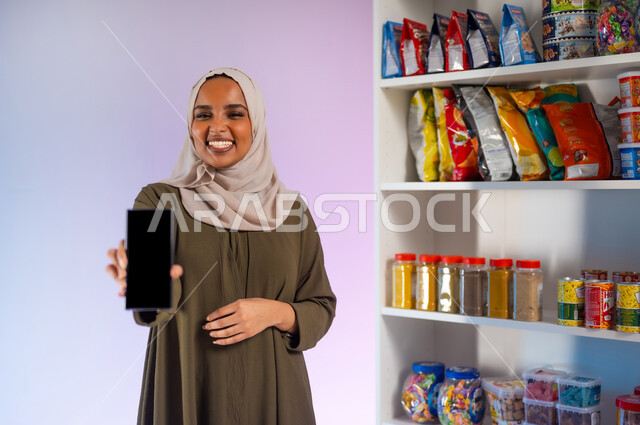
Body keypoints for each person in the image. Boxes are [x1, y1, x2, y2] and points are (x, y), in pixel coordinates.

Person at [105, 68, 337, 425]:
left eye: (234, 114)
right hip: (186, 395)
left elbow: (320, 306)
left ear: (255, 123)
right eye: (203, 115)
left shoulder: (293, 211)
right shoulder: (157, 200)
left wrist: (273, 312)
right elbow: (149, 303)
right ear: (190, 125)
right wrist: (143, 283)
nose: (217, 127)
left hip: (275, 401)